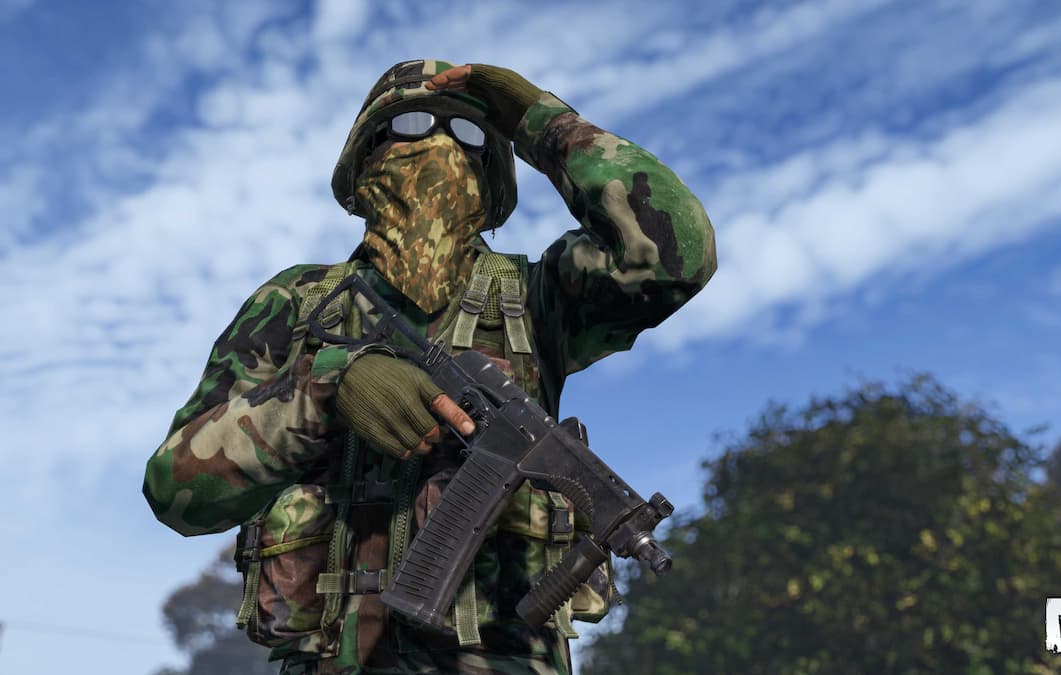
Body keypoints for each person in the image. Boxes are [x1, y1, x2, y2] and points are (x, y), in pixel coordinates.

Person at [143, 59, 717, 674]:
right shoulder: (298, 303)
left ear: (492, 179)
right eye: (411, 126)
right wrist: (325, 389)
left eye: (471, 137)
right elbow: (175, 490)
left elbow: (676, 256)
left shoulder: (533, 297)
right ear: (365, 163)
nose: (440, 146)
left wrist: (543, 123)